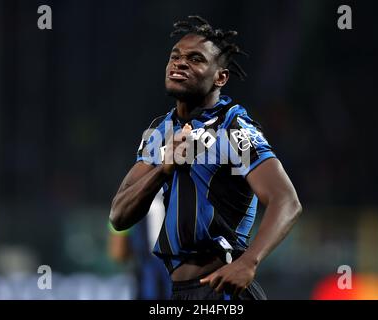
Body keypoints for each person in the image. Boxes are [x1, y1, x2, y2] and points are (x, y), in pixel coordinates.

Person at [110, 15, 302, 300]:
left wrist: (249, 262)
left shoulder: (234, 128)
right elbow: (119, 216)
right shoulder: (158, 132)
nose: (180, 62)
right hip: (178, 292)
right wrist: (163, 169)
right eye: (175, 56)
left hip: (221, 289)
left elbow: (287, 201)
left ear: (220, 77)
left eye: (196, 58)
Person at [108, 191, 171, 300]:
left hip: (149, 273)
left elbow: (118, 252)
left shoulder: (133, 189)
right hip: (179, 272)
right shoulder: (189, 182)